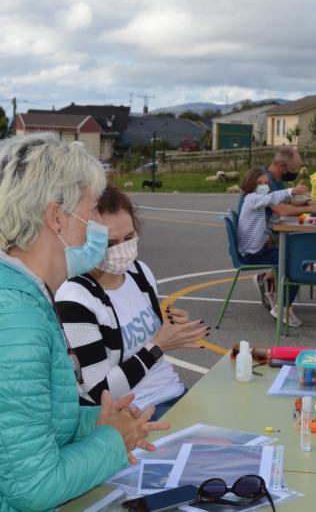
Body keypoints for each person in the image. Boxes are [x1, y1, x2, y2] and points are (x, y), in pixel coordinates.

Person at [0, 133, 169, 511]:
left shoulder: (26, 296)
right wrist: (112, 440)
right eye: (92, 210)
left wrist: (95, 423)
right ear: (56, 217)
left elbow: (28, 424)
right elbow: (33, 487)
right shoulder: (17, 324)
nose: (97, 225)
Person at [56, 185, 209, 421]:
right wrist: (158, 345)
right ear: (88, 241)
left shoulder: (139, 272)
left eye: (128, 238)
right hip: (135, 412)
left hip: (174, 391)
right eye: (110, 242)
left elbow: (147, 335)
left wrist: (172, 326)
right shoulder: (75, 297)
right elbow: (99, 391)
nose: (122, 250)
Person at [238, 168, 308, 327]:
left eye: (266, 183)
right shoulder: (251, 198)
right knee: (294, 263)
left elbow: (272, 206)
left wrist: (267, 235)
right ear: (250, 185)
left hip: (257, 250)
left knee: (291, 256)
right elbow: (274, 197)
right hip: (253, 254)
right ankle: (283, 307)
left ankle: (272, 288)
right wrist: (292, 191)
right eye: (259, 183)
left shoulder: (257, 199)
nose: (264, 186)